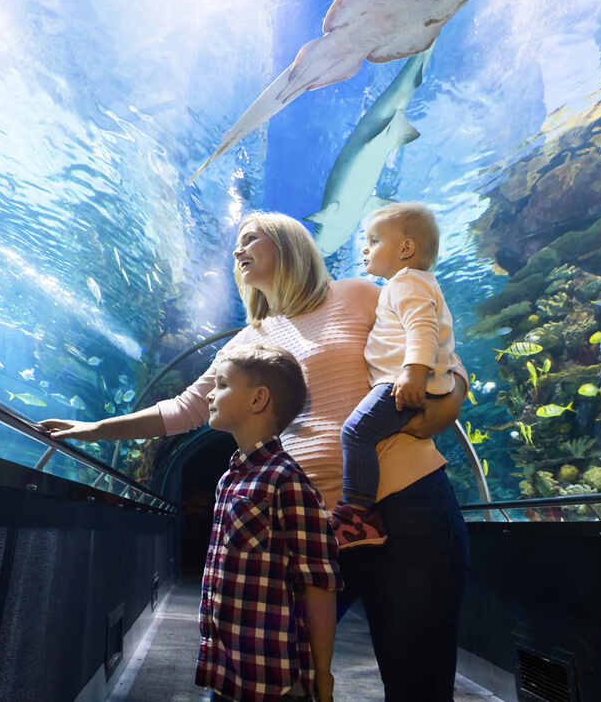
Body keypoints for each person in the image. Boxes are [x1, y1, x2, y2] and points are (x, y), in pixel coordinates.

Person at [40, 211, 470, 701]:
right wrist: (97, 429)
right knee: (281, 675)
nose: (238, 251)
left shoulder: (359, 294)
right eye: (235, 247)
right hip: (316, 525)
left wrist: (447, 402)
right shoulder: (248, 342)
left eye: (250, 239)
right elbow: (184, 409)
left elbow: (441, 359)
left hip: (411, 506)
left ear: (288, 243)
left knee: (420, 681)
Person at [198, 343, 339, 701]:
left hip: (272, 678)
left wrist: (323, 675)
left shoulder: (286, 479)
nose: (210, 394)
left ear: (258, 399)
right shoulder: (230, 478)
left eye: (223, 384)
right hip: (225, 667)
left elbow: (318, 583)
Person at [329, 202, 457, 550]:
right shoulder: (412, 283)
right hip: (408, 380)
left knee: (356, 433)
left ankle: (356, 514)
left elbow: (422, 328)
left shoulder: (405, 283)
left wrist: (413, 371)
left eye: (373, 240)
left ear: (405, 248)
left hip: (403, 382)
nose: (364, 247)